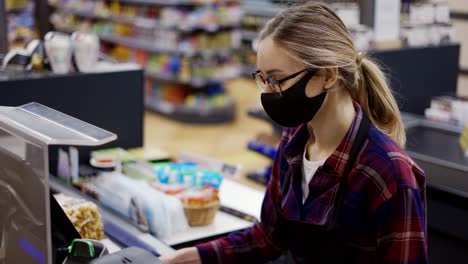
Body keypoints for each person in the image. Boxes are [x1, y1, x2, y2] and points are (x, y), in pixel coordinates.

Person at [162, 1, 428, 263]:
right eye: (263, 79)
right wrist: (200, 255)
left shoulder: (389, 174)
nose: (266, 93)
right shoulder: (294, 140)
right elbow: (269, 236)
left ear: (327, 75)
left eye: (277, 80)